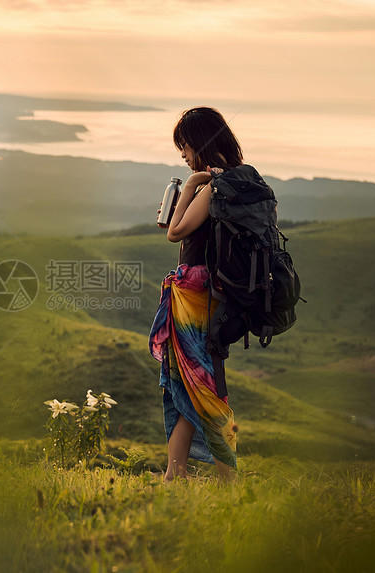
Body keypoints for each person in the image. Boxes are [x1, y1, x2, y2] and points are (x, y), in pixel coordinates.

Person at [149, 107, 242, 483]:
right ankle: (175, 474)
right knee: (187, 380)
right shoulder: (239, 180)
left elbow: (176, 232)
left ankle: (228, 479)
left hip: (196, 295)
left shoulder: (211, 185)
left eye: (185, 147)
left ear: (201, 142)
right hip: (216, 295)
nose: (184, 156)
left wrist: (188, 189)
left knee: (199, 386)